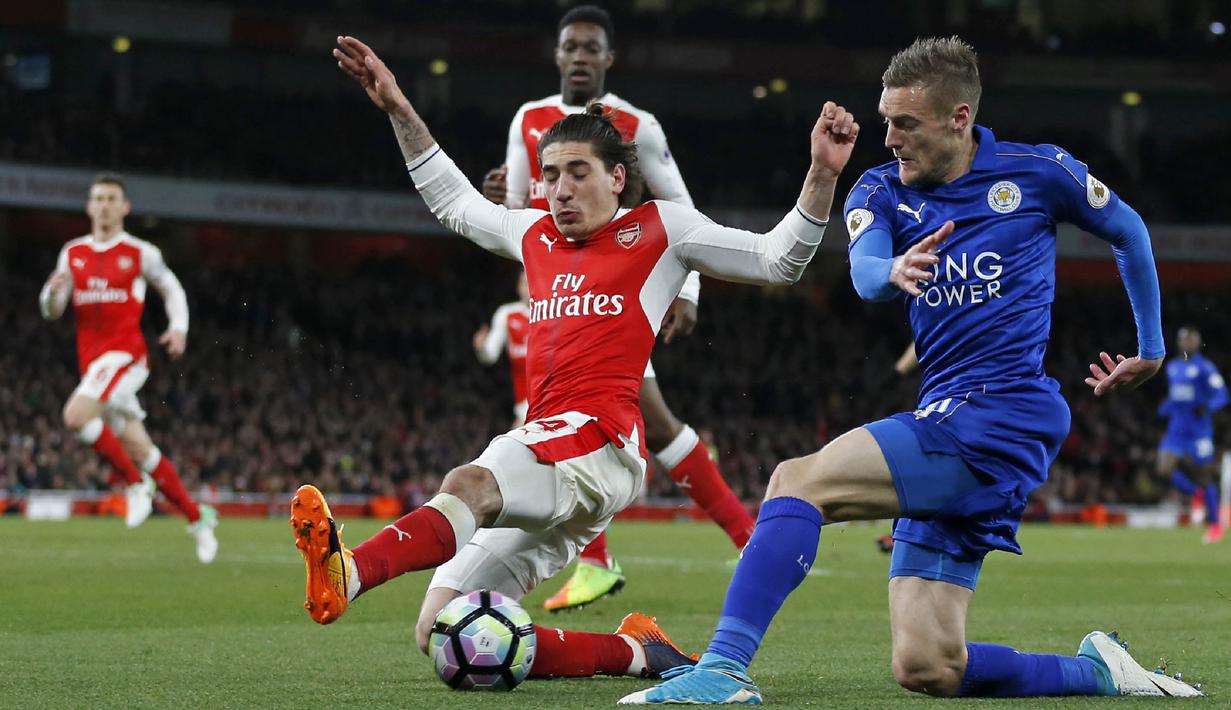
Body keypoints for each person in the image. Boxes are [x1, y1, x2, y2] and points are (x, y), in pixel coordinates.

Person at [623, 36, 1201, 704]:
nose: (889, 138)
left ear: (958, 119)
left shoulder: (1038, 174)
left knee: (795, 481)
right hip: (947, 415)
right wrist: (891, 269)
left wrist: (1150, 346)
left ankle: (720, 671)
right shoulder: (879, 190)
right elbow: (866, 273)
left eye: (906, 124)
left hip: (1002, 414)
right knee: (928, 666)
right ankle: (1098, 671)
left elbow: (1128, 230)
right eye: (884, 121)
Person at [294, 34, 856, 683]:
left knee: (470, 482)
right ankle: (639, 651)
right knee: (441, 633)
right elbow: (453, 204)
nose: (559, 189)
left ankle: (351, 572)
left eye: (578, 173)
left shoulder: (659, 229)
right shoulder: (533, 232)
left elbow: (775, 261)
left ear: (616, 177)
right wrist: (398, 108)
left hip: (602, 442)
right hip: (559, 457)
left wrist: (820, 174)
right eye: (551, 174)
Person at [483, 5, 756, 613]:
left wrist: (686, 292)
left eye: (591, 48)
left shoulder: (638, 125)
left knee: (582, 420)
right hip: (556, 298)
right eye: (569, 46)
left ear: (608, 58)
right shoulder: (529, 119)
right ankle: (731, 541)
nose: (579, 56)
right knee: (642, 423)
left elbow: (682, 208)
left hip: (617, 294)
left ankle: (615, 559)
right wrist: (495, 196)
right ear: (557, 55)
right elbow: (519, 209)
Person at [39, 173, 218, 563]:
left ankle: (136, 486)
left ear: (124, 207)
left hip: (126, 356)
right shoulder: (72, 254)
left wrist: (178, 328)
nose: (104, 205)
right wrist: (51, 294)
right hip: (93, 364)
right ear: (89, 207)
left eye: (111, 198)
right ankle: (198, 518)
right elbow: (53, 311)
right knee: (141, 449)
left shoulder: (140, 252)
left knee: (74, 416)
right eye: (98, 198)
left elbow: (172, 289)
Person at [1157, 326, 1227, 543]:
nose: (1187, 344)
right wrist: (1165, 408)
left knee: (1205, 477)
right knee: (1164, 469)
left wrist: (1207, 407)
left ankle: (1216, 525)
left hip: (1199, 432)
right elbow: (1177, 397)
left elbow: (1222, 395)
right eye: (1184, 340)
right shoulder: (1172, 367)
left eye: (1191, 340)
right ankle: (1196, 493)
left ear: (1197, 343)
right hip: (1177, 430)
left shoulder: (1206, 368)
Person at [474, 272, 532, 427]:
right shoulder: (507, 314)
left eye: (534, 280)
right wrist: (481, 348)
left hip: (553, 398)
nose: (530, 287)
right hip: (524, 405)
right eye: (526, 283)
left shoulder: (553, 314)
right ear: (519, 287)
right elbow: (490, 356)